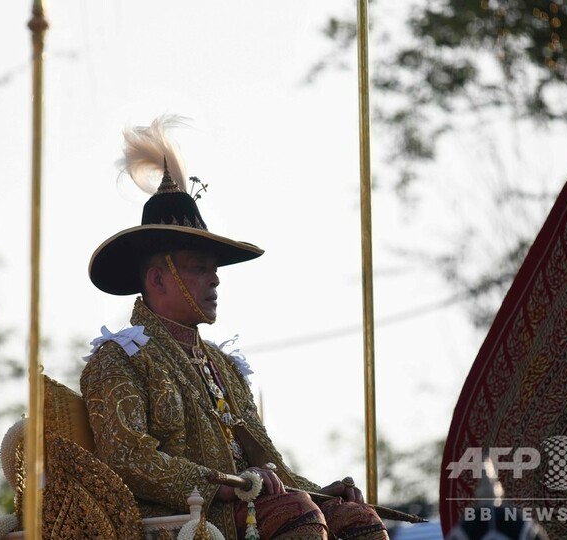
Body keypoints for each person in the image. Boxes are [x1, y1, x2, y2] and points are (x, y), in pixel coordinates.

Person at [81, 117, 387, 539]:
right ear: (158, 279)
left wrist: (321, 493)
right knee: (296, 517)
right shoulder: (118, 360)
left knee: (357, 519)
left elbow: (266, 463)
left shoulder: (222, 365)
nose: (215, 280)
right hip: (176, 522)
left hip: (248, 512)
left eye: (215, 269)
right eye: (199, 268)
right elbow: (127, 459)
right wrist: (219, 484)